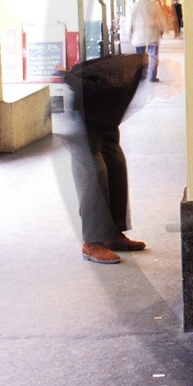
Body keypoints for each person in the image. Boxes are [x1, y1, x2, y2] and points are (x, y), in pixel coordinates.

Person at [61, 53, 150, 264]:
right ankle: (92, 243)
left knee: (116, 164)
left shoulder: (131, 75)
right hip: (74, 113)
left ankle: (112, 235)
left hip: (99, 116)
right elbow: (83, 87)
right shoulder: (120, 77)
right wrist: (64, 76)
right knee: (94, 171)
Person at [126, 0, 163, 82]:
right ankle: (152, 76)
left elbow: (131, 19)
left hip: (139, 34)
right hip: (153, 33)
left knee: (140, 57)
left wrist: (128, 33)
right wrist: (162, 29)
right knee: (153, 56)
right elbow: (160, 19)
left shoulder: (136, 5)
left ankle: (142, 75)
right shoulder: (153, 5)